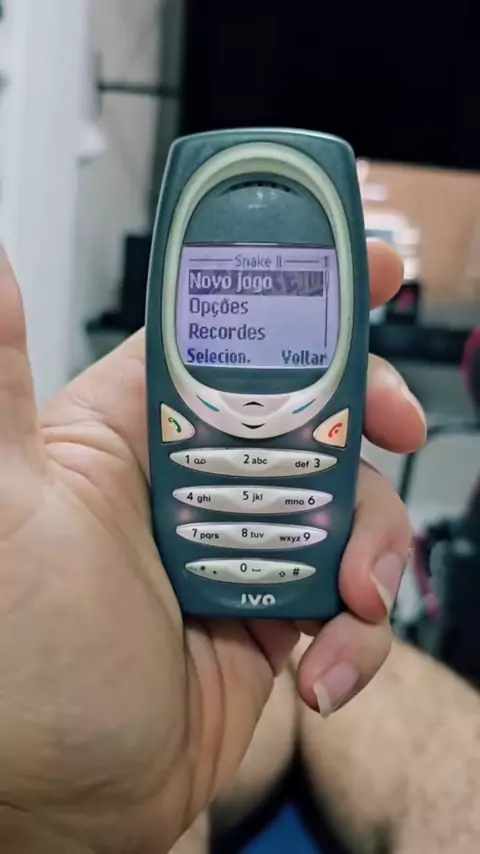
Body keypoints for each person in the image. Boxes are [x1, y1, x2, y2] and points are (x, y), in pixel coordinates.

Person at [0, 240, 427, 853]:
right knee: (407, 701)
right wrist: (44, 820)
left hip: (225, 658)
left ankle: (280, 680)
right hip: (202, 644)